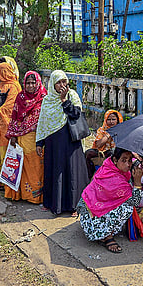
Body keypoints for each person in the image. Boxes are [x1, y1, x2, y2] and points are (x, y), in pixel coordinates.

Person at [36, 70, 89, 215]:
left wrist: (64, 100)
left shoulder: (72, 95)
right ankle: (53, 204)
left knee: (72, 172)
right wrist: (39, 143)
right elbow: (43, 122)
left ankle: (74, 206)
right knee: (54, 171)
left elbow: (76, 114)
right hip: (53, 143)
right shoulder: (47, 100)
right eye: (58, 82)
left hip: (70, 141)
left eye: (64, 82)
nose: (62, 85)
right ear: (52, 84)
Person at [77, 147, 143, 253]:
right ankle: (105, 236)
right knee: (127, 207)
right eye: (124, 160)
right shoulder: (115, 178)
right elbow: (135, 202)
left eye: (129, 160)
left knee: (124, 201)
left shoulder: (108, 166)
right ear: (115, 160)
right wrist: (137, 183)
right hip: (90, 221)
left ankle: (103, 228)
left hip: (90, 211)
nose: (128, 164)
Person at [5, 71, 47, 203]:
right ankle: (23, 195)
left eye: (33, 83)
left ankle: (36, 197)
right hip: (21, 138)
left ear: (38, 83)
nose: (30, 85)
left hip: (38, 139)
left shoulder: (44, 97)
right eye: (28, 83)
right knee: (21, 166)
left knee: (36, 167)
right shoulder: (20, 97)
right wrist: (12, 135)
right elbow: (15, 116)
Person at [0, 62, 22, 187]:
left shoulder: (14, 86)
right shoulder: (0, 85)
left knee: (8, 151)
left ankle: (8, 181)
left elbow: (10, 106)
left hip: (7, 125)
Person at [85, 109, 123, 178]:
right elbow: (98, 145)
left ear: (117, 120)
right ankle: (89, 177)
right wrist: (108, 135)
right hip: (102, 153)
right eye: (109, 119)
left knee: (112, 152)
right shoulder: (102, 130)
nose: (111, 122)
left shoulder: (122, 130)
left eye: (113, 119)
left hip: (117, 154)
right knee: (88, 153)